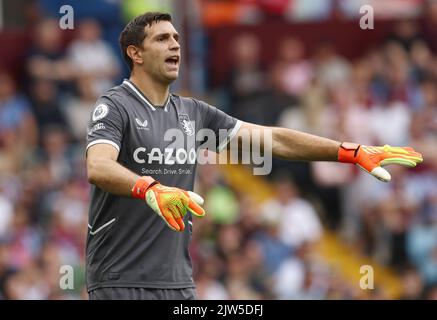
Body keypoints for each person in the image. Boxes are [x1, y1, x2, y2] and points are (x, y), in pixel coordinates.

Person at [85, 12, 423, 300]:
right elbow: (99, 166)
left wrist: (349, 151)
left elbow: (275, 140)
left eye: (176, 37)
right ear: (136, 54)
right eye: (161, 39)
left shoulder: (192, 113)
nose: (175, 44)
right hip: (122, 280)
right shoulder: (115, 106)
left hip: (177, 284)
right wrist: (150, 189)